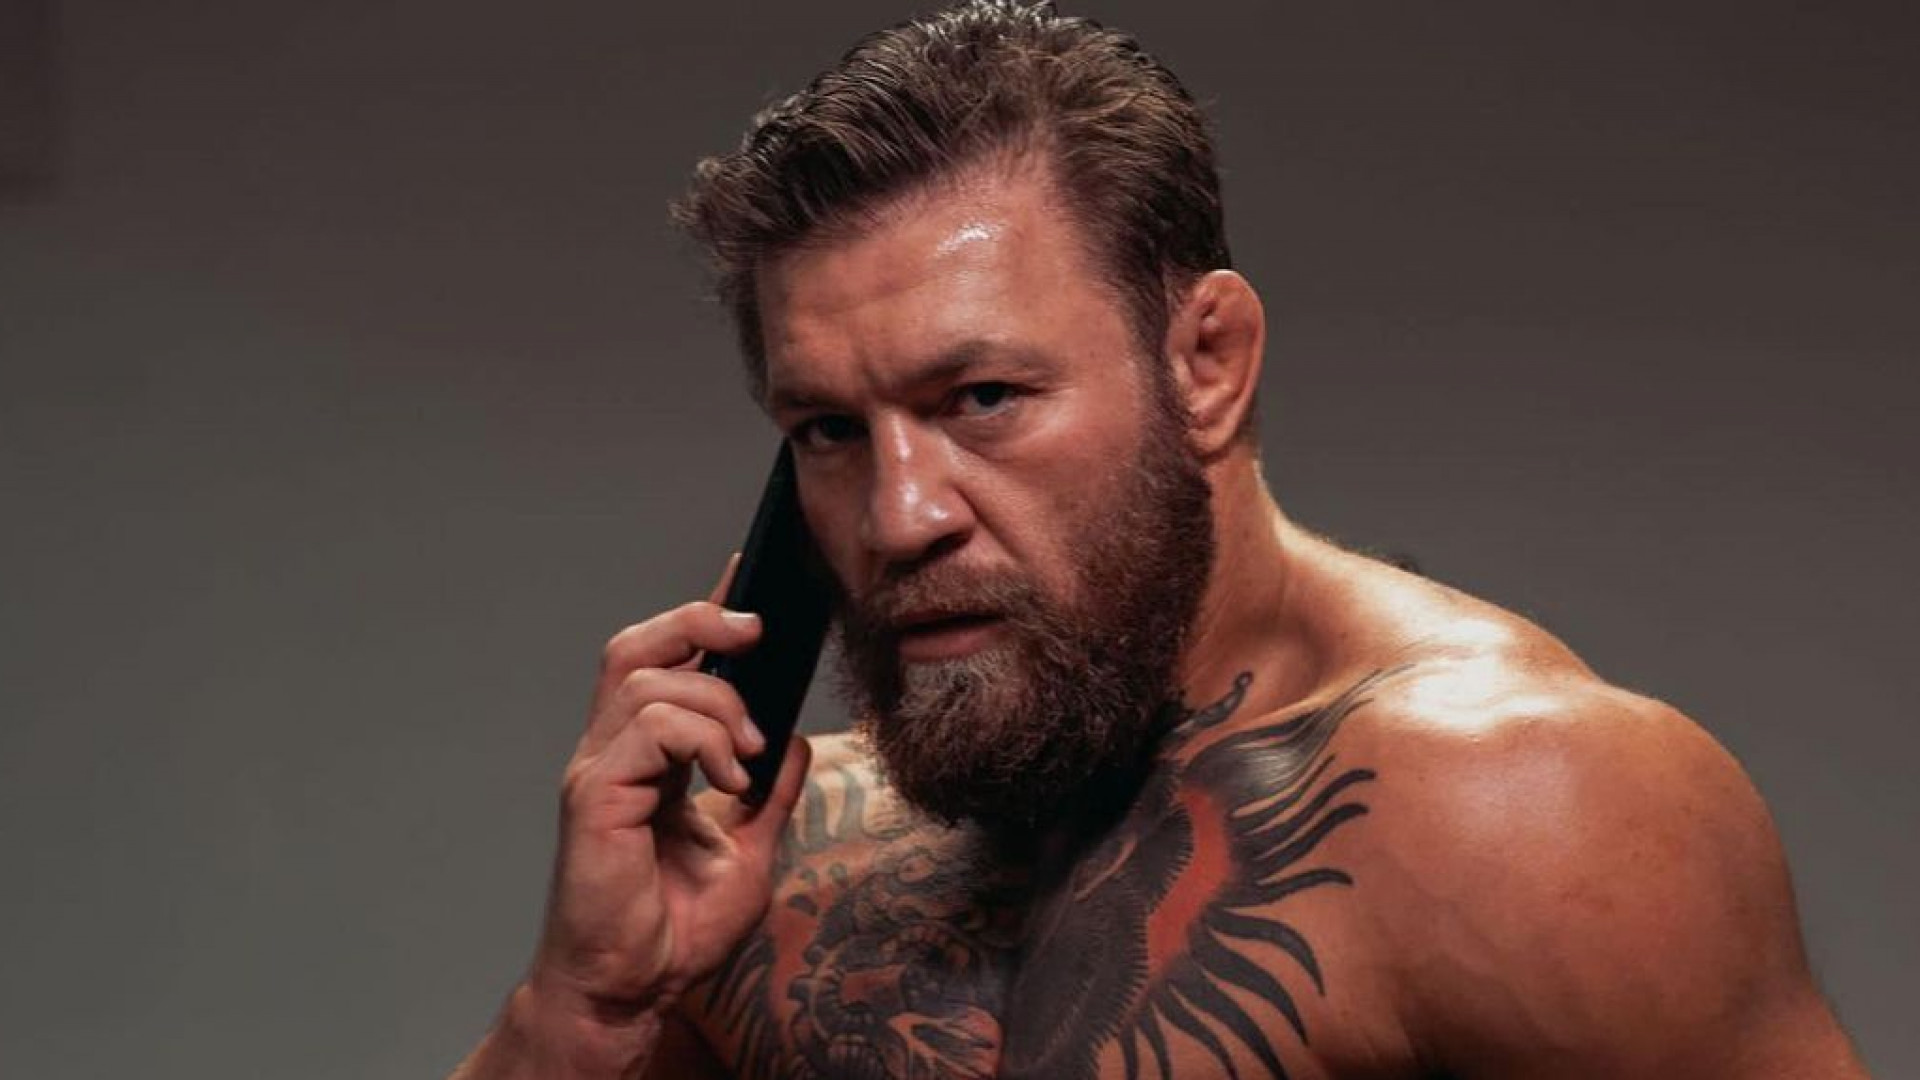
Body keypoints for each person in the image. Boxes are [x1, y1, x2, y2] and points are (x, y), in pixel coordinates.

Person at [452, 3, 1868, 1077]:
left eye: (982, 398)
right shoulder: (774, 860)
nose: (899, 516)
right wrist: (579, 1012)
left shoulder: (1521, 812)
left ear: (1207, 363)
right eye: (828, 429)